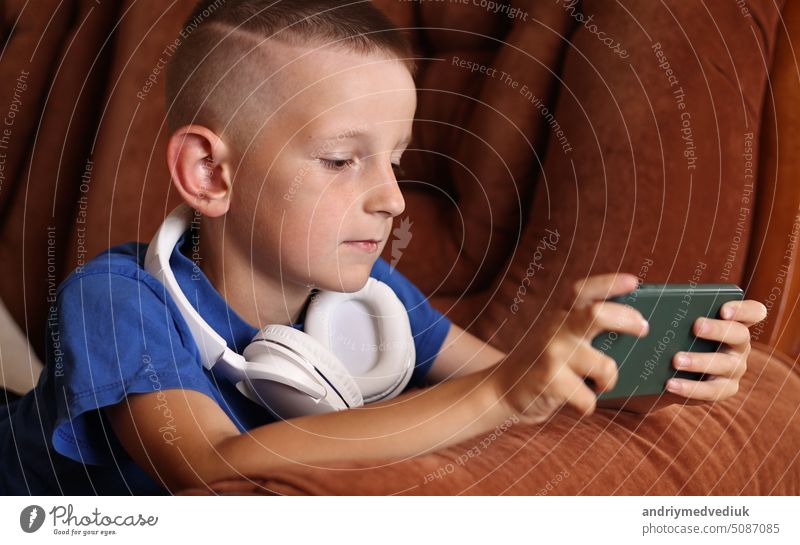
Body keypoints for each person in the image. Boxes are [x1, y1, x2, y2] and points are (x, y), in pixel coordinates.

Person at [0, 0, 767, 495]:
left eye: (395, 159)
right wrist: (502, 394)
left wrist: (643, 362)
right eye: (342, 159)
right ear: (210, 173)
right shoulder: (115, 296)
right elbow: (208, 464)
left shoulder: (368, 298)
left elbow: (518, 385)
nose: (392, 198)